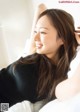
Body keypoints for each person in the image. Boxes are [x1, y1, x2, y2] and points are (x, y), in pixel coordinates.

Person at [0, 4, 78, 111]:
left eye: (42, 32)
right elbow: (40, 7)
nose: (35, 37)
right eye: (35, 31)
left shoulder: (64, 76)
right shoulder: (33, 51)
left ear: (62, 39)